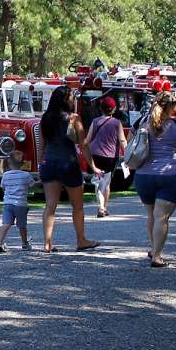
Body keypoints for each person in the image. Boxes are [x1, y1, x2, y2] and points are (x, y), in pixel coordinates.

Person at [38, 86, 100, 252]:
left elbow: (42, 145)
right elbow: (84, 144)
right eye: (72, 97)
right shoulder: (74, 118)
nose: (74, 100)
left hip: (49, 163)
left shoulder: (45, 118)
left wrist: (40, 164)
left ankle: (47, 243)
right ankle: (81, 240)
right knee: (77, 206)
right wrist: (92, 165)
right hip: (68, 163)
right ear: (65, 100)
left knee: (50, 205)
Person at [134, 91, 176, 267]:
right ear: (173, 107)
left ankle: (153, 249)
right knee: (161, 217)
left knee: (151, 214)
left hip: (144, 176)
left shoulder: (143, 122)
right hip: (171, 175)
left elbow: (132, 144)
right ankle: (157, 256)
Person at [84, 95, 126, 218]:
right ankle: (103, 207)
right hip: (110, 156)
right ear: (114, 109)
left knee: (98, 182)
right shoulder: (117, 123)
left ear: (101, 109)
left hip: (95, 154)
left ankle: (102, 207)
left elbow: (87, 140)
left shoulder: (95, 121)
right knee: (106, 183)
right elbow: (122, 140)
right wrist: (128, 153)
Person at [0, 151, 35, 252]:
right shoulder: (26, 175)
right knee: (22, 225)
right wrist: (41, 181)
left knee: (6, 223)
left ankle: (0, 242)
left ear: (9, 162)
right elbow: (32, 185)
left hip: (7, 203)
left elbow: (3, 187)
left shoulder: (5, 175)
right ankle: (25, 243)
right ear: (22, 163)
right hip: (20, 204)